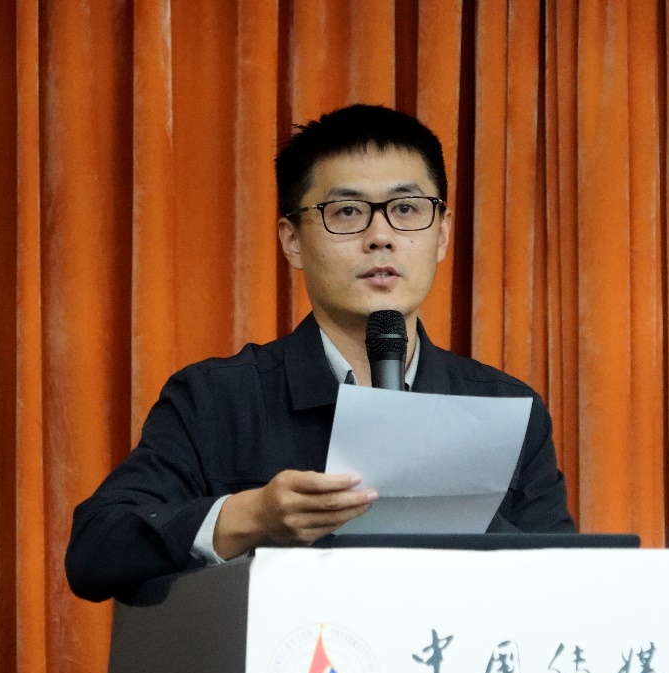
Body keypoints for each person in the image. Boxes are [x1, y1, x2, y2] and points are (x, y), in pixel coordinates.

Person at [66, 104, 575, 606]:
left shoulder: (506, 409)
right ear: (292, 241)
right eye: (347, 212)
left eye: (406, 209)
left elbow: (566, 586)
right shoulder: (217, 399)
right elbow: (96, 550)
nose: (381, 237)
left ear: (441, 234)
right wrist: (250, 517)